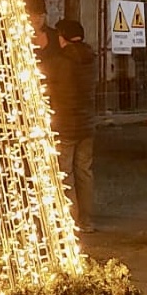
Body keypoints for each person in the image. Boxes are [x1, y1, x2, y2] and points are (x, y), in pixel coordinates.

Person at [41, 18, 97, 231]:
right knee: (85, 171)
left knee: (66, 173)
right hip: (87, 125)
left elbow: (44, 78)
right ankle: (87, 219)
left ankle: (71, 219)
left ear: (62, 38)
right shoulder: (91, 58)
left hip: (65, 125)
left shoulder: (60, 61)